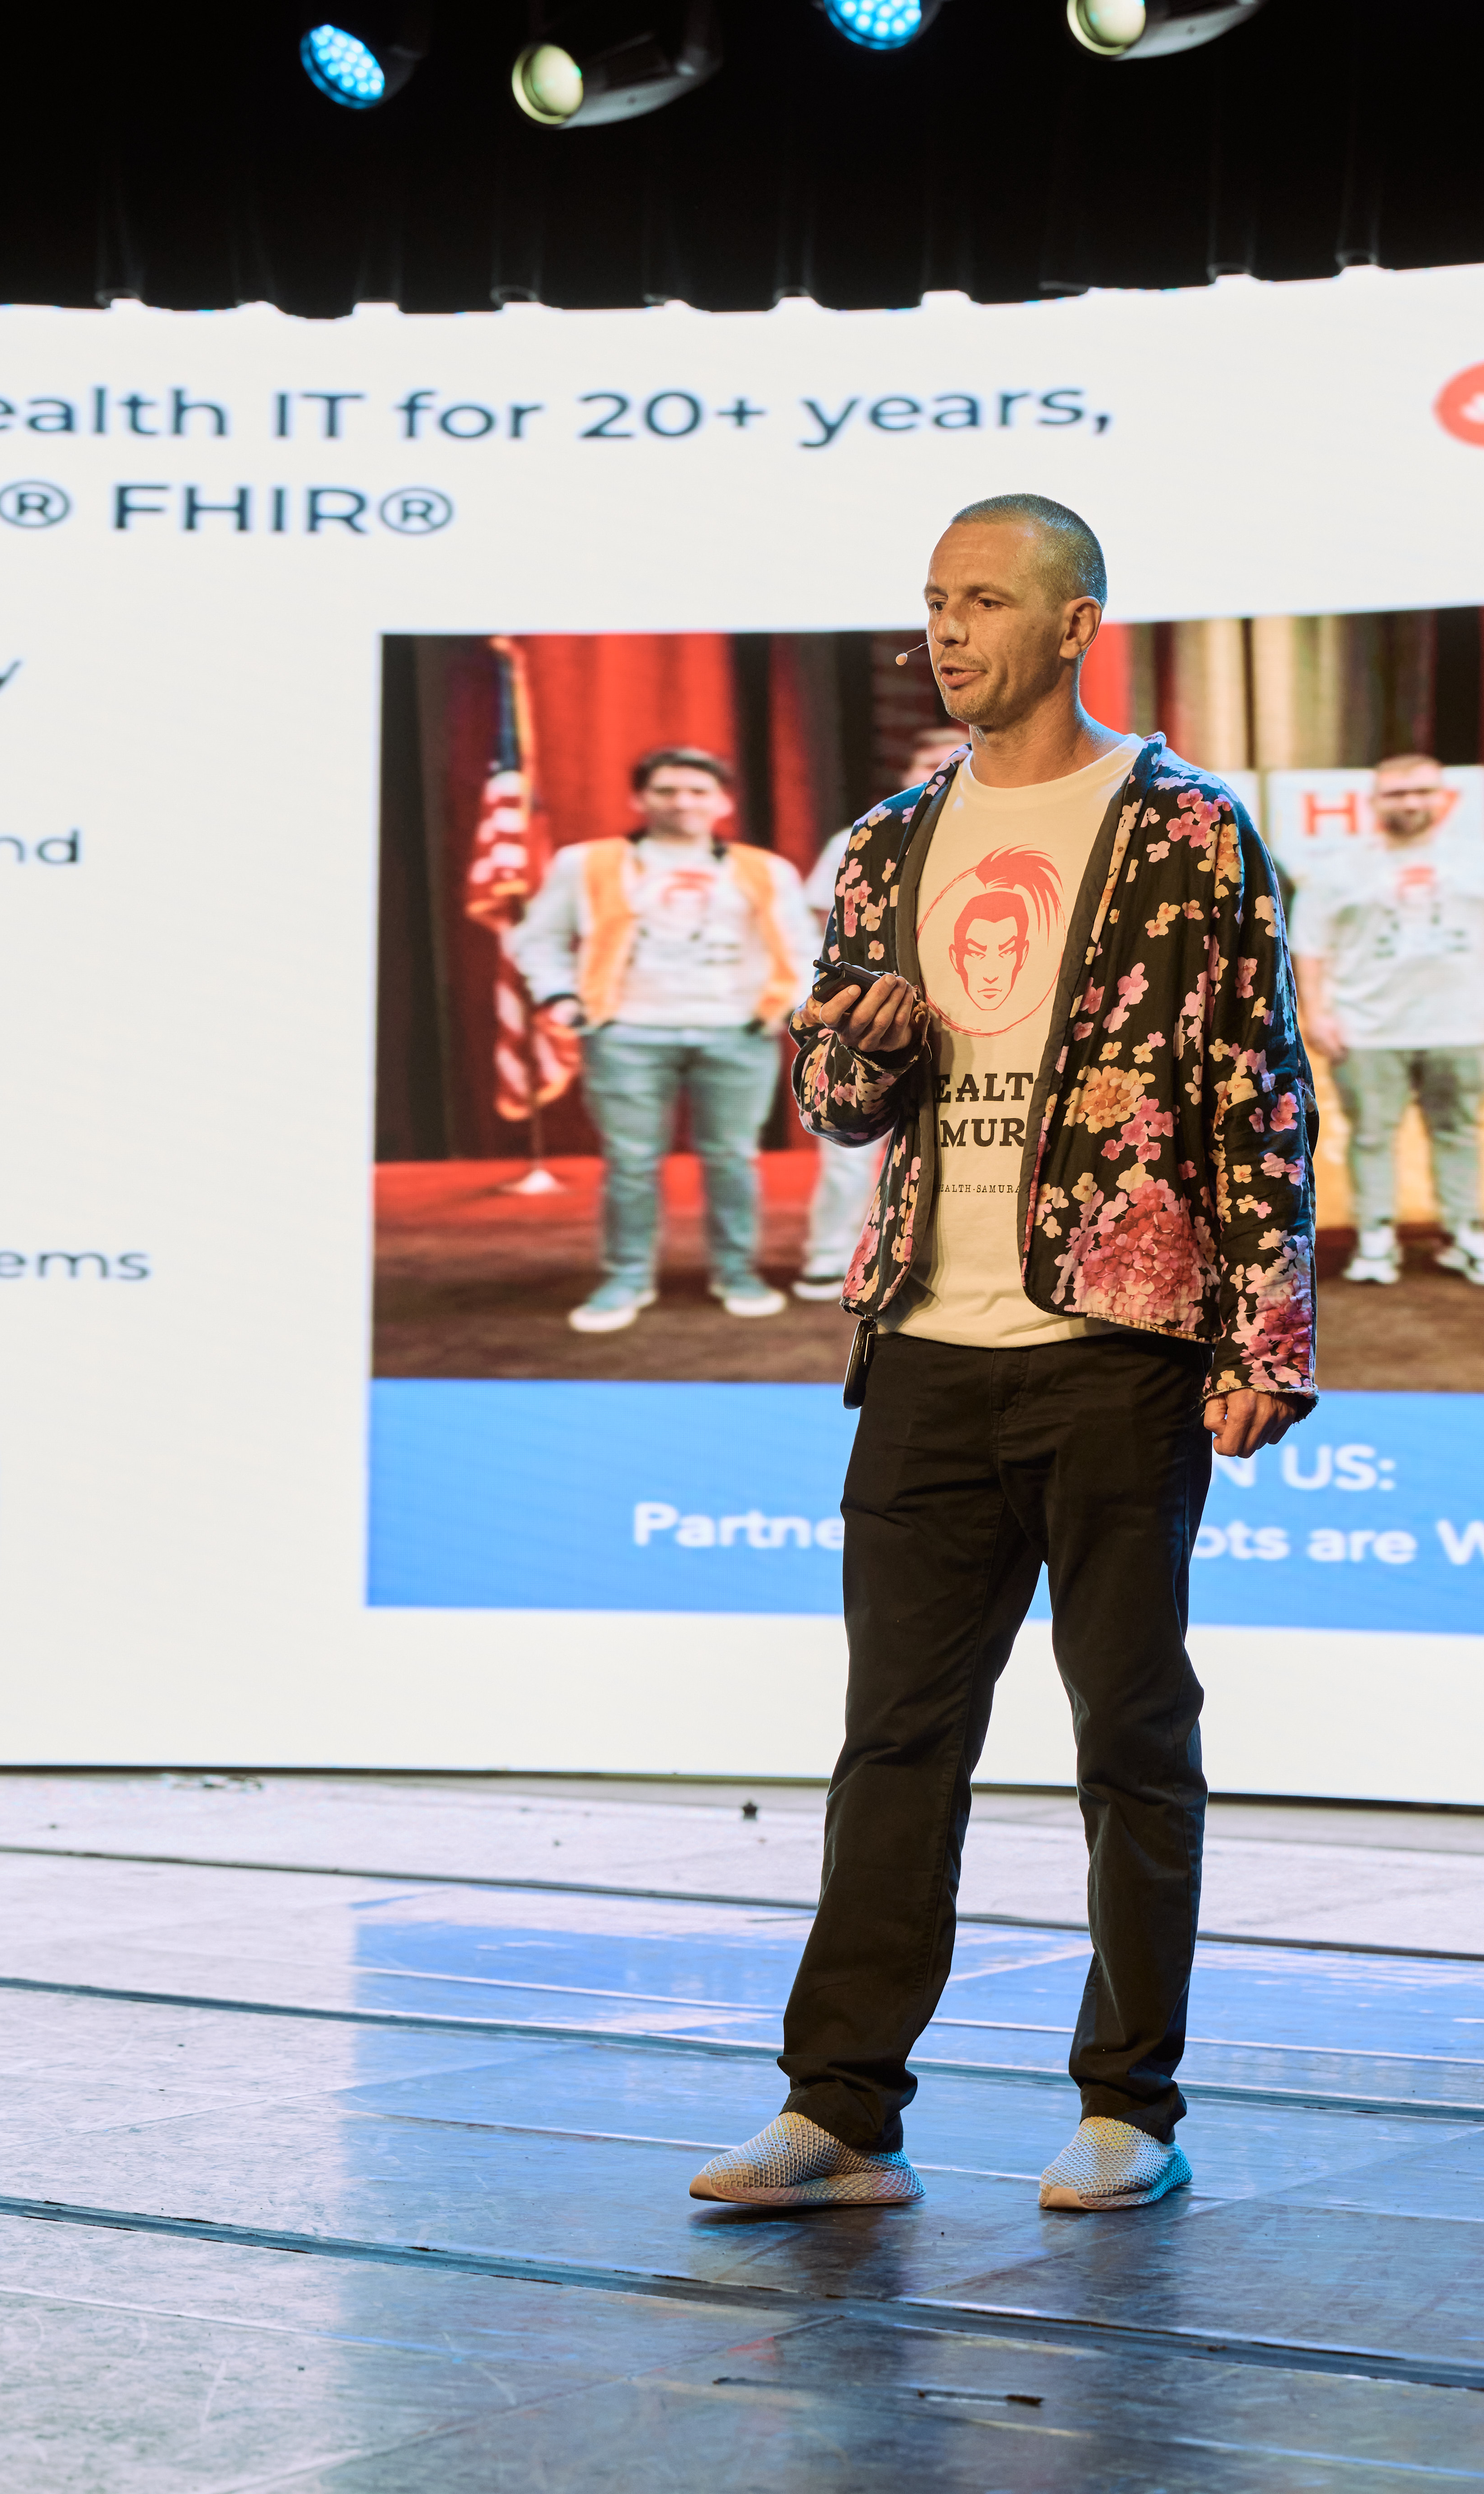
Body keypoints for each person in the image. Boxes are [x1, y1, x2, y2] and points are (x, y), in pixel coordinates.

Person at [688, 492, 1316, 2221]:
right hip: (922, 1342)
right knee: (892, 1738)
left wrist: (1265, 1325)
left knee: (1129, 1731)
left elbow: (1256, 1082)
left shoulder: (1182, 824)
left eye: (981, 600)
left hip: (1115, 1340)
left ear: (1073, 624)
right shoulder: (890, 838)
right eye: (933, 601)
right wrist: (865, 1050)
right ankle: (840, 2111)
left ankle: (1128, 2104)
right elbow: (833, 1098)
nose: (946, 631)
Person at [510, 746, 817, 1332]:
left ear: (723, 802)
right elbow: (537, 938)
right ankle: (626, 1277)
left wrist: (783, 1008)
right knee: (630, 1162)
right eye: (667, 790)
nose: (683, 802)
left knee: (732, 1160)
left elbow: (804, 948)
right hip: (626, 1032)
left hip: (738, 1031)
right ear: (640, 798)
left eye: (699, 791)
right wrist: (561, 998)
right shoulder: (588, 863)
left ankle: (736, 1272)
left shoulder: (765, 869)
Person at [1292, 753, 1484, 1289]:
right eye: (1397, 793)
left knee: (1460, 1132)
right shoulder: (1336, 870)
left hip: (1465, 1025)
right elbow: (1309, 951)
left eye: (1422, 792)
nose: (1410, 803)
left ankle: (1466, 1234)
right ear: (1374, 801)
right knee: (1371, 1135)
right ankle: (1377, 1238)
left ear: (1444, 798)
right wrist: (1317, 1014)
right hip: (1366, 1029)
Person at [794, 727, 966, 1302]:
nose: (941, 767)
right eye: (927, 759)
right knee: (848, 1140)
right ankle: (830, 1254)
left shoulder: (988, 831)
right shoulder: (869, 832)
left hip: (955, 1018)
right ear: (906, 772)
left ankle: (931, 1258)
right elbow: (817, 922)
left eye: (955, 756)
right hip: (864, 1013)